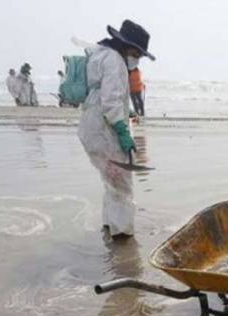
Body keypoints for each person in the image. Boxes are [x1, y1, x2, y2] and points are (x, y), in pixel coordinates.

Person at [77, 19, 155, 238]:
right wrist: (122, 130)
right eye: (137, 54)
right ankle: (122, 236)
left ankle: (109, 226)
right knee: (121, 184)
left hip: (91, 125)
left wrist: (125, 112)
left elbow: (102, 94)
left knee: (111, 182)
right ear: (128, 47)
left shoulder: (100, 55)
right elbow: (111, 101)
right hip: (104, 131)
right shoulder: (115, 61)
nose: (137, 59)